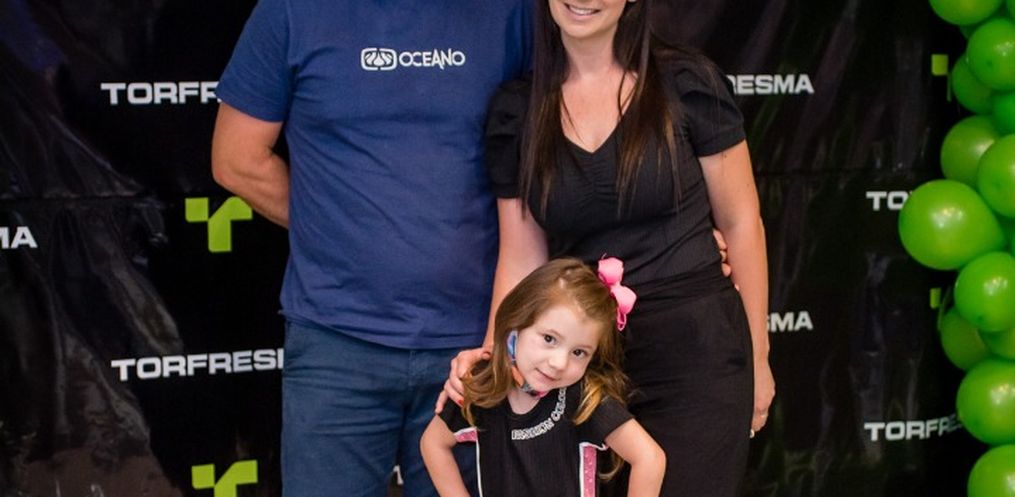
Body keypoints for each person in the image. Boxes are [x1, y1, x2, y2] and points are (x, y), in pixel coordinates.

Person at [442, 1, 775, 496]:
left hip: (697, 359)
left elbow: (741, 223)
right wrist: (497, 359)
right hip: (579, 367)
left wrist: (759, 357)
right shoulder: (518, 111)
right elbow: (522, 258)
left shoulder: (686, 83)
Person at [209, 1, 533, 496]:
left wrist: (501, 341)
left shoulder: (513, 11)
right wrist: (337, 223)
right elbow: (237, 158)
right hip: (337, 344)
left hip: (475, 346)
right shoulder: (292, 10)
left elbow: (566, 131)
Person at [422, 257, 665, 497]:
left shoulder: (585, 400)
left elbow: (650, 458)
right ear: (517, 322)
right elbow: (433, 443)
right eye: (549, 339)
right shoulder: (486, 385)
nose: (559, 363)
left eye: (578, 352)